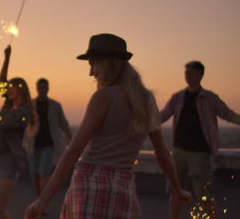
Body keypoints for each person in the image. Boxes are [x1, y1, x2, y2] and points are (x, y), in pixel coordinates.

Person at [25, 33, 192, 219]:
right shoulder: (147, 100)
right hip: (123, 189)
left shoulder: (104, 97)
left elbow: (73, 151)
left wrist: (44, 199)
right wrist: (178, 189)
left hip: (88, 185)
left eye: (93, 64)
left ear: (107, 63)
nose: (91, 72)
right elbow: (162, 154)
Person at [160, 60, 240, 219]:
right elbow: (162, 116)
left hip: (200, 152)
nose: (187, 76)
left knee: (203, 192)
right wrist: (139, 123)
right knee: (176, 189)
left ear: (200, 75)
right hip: (178, 150)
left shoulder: (209, 98)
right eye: (186, 73)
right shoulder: (178, 97)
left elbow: (228, 114)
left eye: (190, 73)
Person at [0, 45, 37, 219]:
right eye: (9, 87)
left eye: (13, 87)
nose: (8, 89)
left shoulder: (24, 111)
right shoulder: (7, 107)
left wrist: (7, 58)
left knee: (0, 209)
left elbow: (1, 123)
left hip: (9, 160)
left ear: (21, 89)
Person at [26, 78, 72, 197]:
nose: (43, 90)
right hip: (33, 144)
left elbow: (63, 123)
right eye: (40, 87)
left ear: (48, 88)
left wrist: (71, 138)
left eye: (45, 87)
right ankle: (38, 200)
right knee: (35, 174)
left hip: (49, 144)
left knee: (44, 173)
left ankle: (43, 201)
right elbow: (23, 124)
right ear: (37, 88)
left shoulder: (55, 105)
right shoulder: (30, 105)